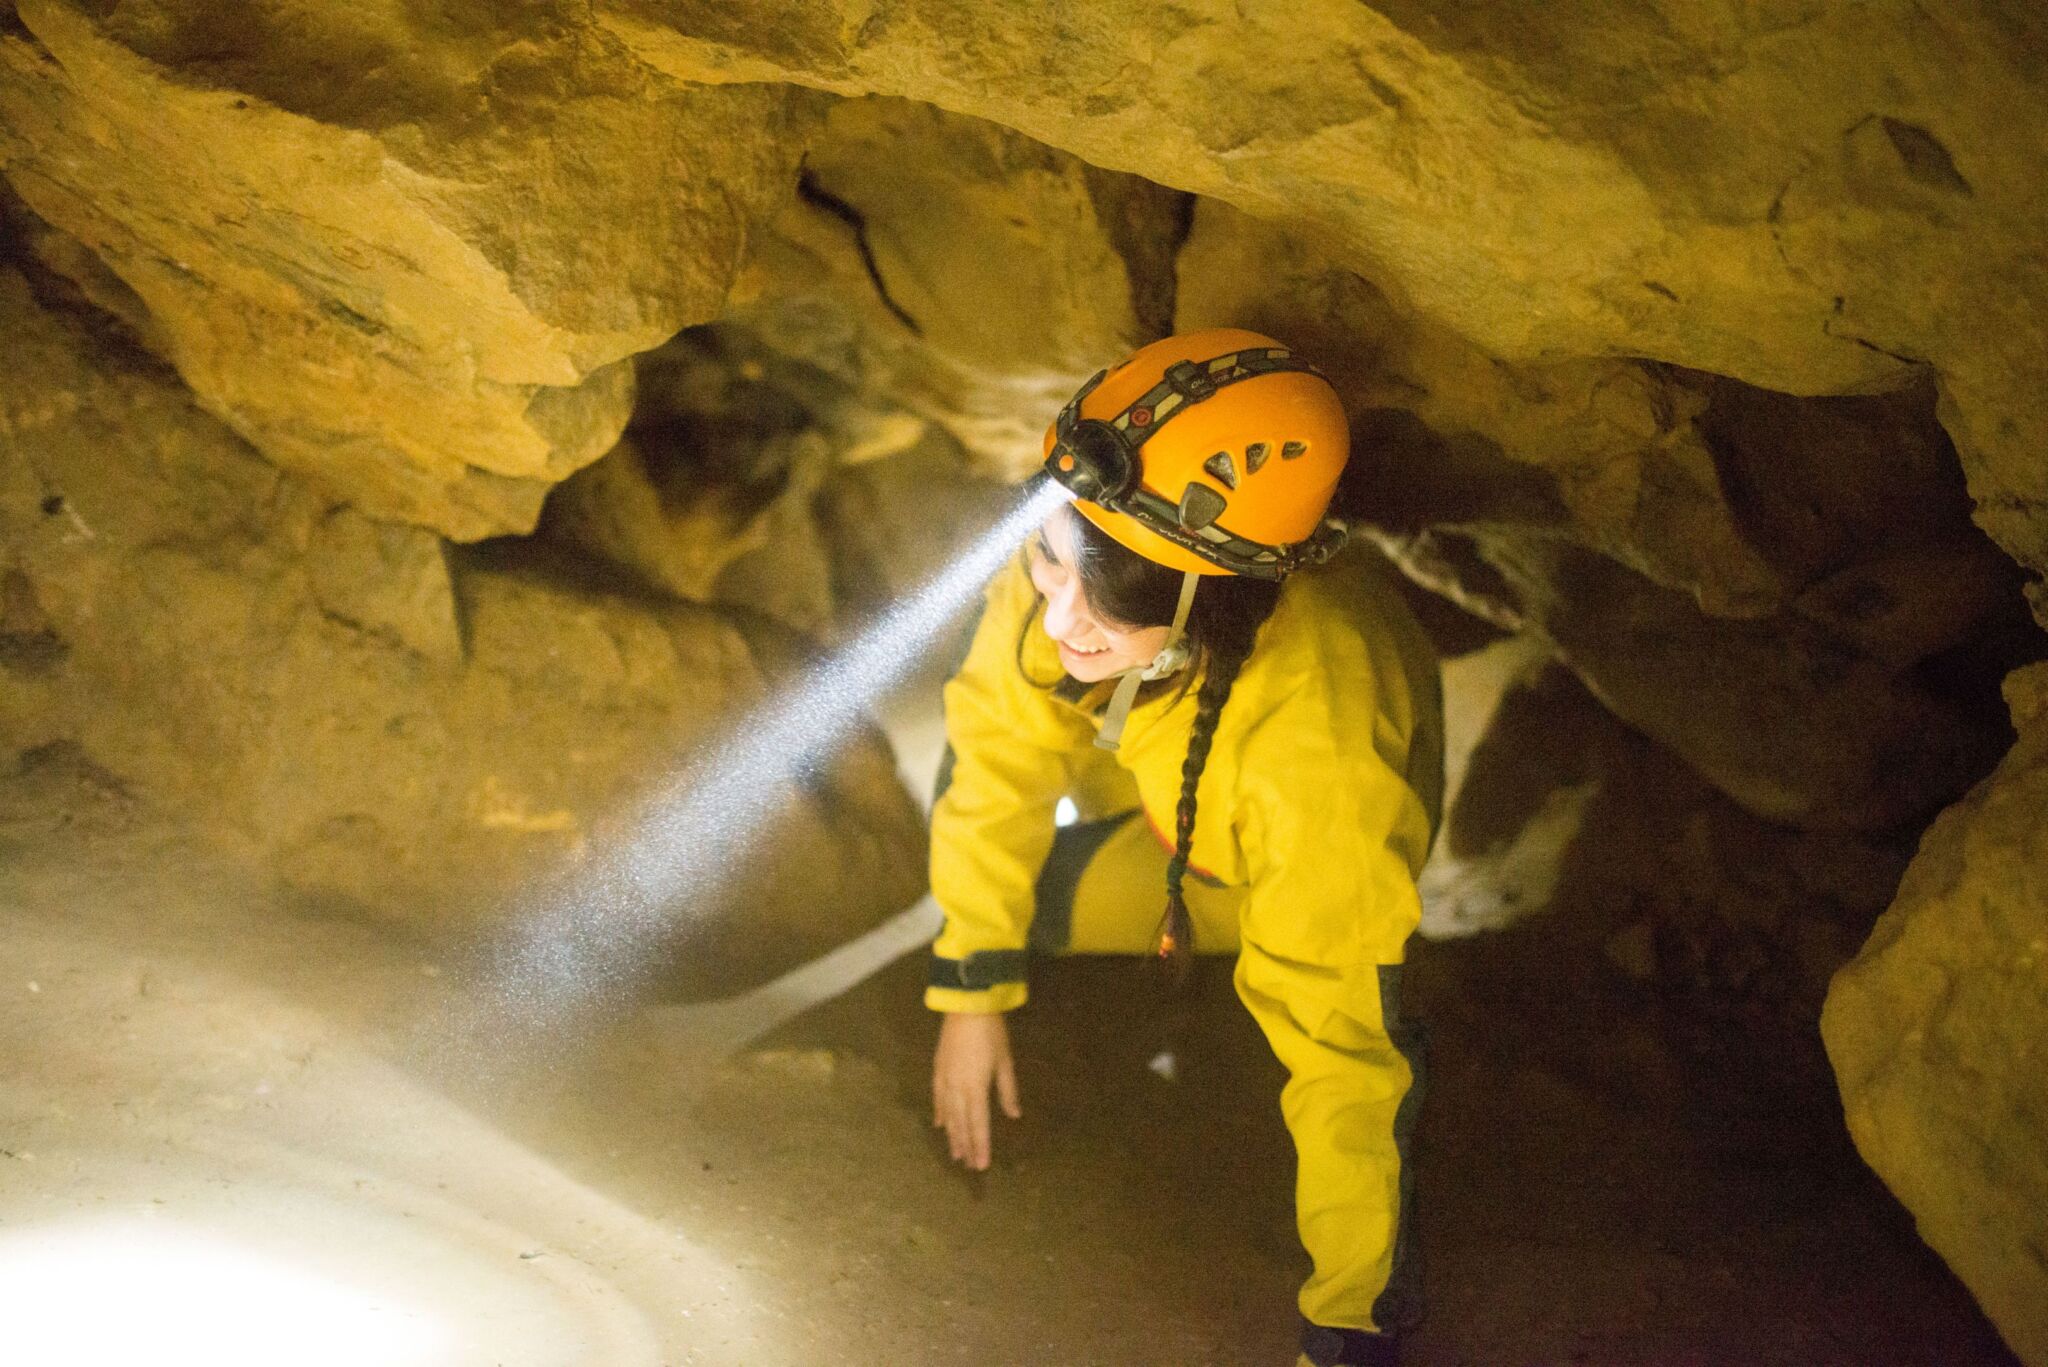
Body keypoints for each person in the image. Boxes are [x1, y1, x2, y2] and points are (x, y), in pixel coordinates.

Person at [925, 328, 1444, 1367]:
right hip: (1172, 791)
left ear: (1207, 593)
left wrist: (1344, 1329)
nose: (1058, 608)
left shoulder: (1321, 732)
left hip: (1256, 860)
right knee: (1000, 881)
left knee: (1323, 1008)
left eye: (1104, 594)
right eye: (1047, 558)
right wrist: (971, 992)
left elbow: (1344, 1048)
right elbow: (997, 755)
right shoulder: (1069, 561)